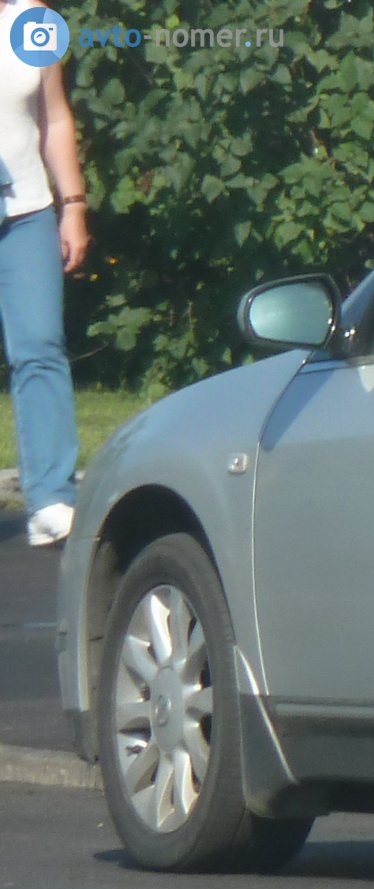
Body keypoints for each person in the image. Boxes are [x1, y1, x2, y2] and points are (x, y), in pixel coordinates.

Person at [0, 0, 88, 546]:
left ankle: (51, 499)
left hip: (27, 210)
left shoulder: (33, 20)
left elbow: (54, 118)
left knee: (40, 344)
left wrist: (73, 204)